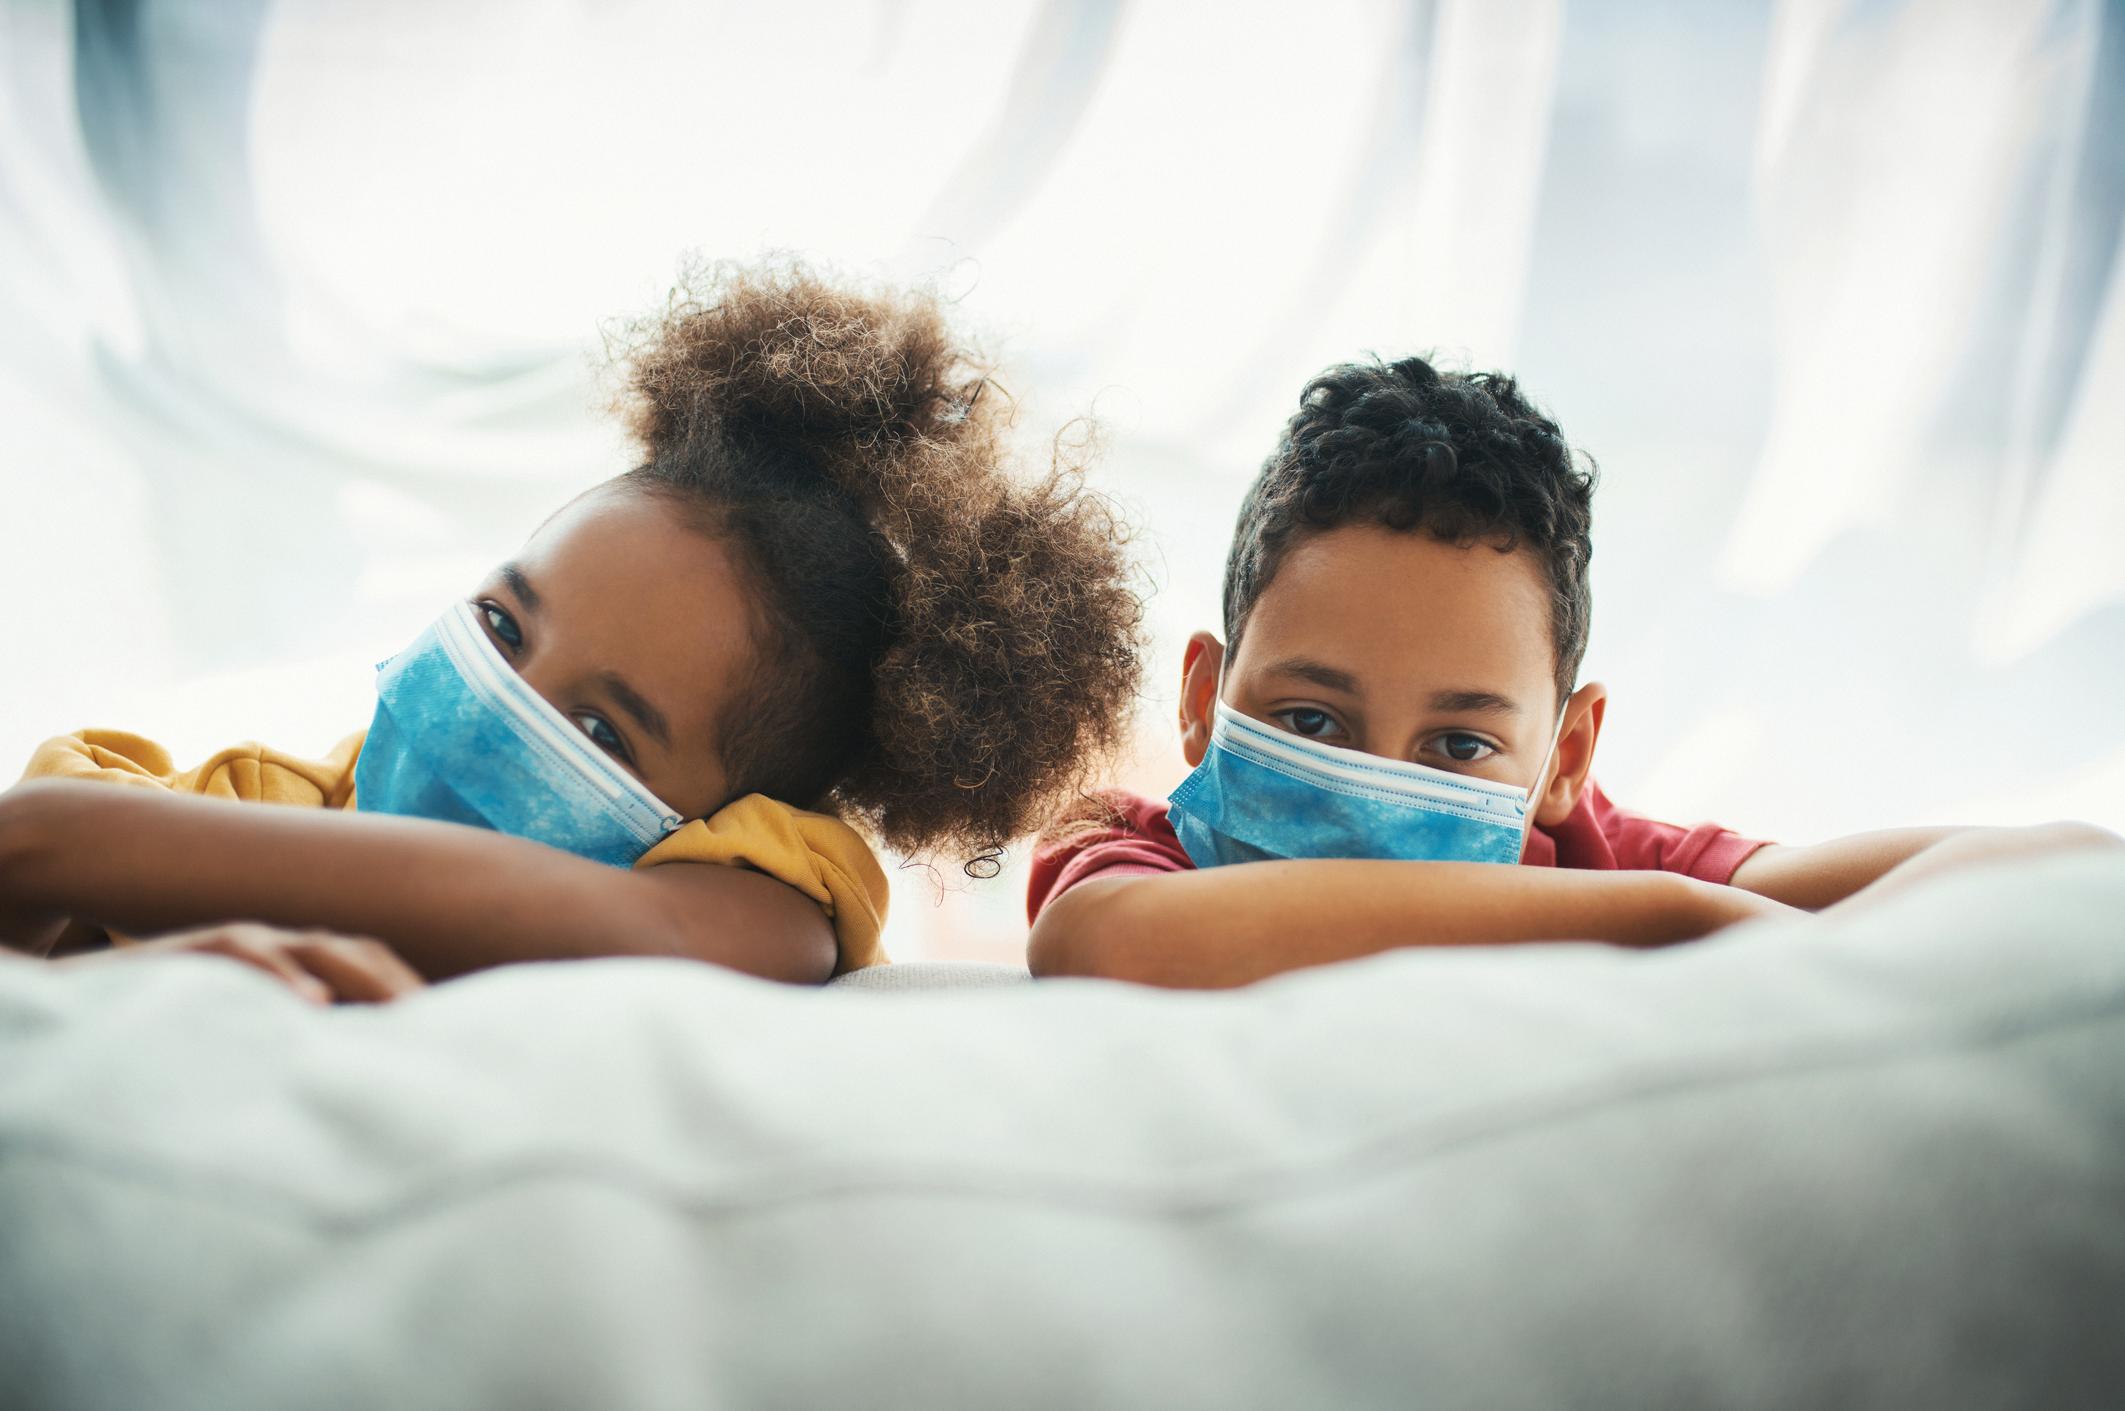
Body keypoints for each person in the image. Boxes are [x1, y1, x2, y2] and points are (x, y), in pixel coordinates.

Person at [0, 260, 1141, 999]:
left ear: (740, 813)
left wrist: (72, 850)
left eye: (600, 732)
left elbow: (675, 933)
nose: (500, 699)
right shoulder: (206, 804)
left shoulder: (771, 877)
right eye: (502, 624)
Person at [1026, 355, 2116, 988]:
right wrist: (1661, 920)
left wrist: (1693, 903)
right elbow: (1105, 939)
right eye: (1312, 721)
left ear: (1566, 755)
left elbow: (2058, 865)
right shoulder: (1137, 850)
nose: (1375, 786)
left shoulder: (1580, 849)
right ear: (1205, 698)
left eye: (1458, 746)